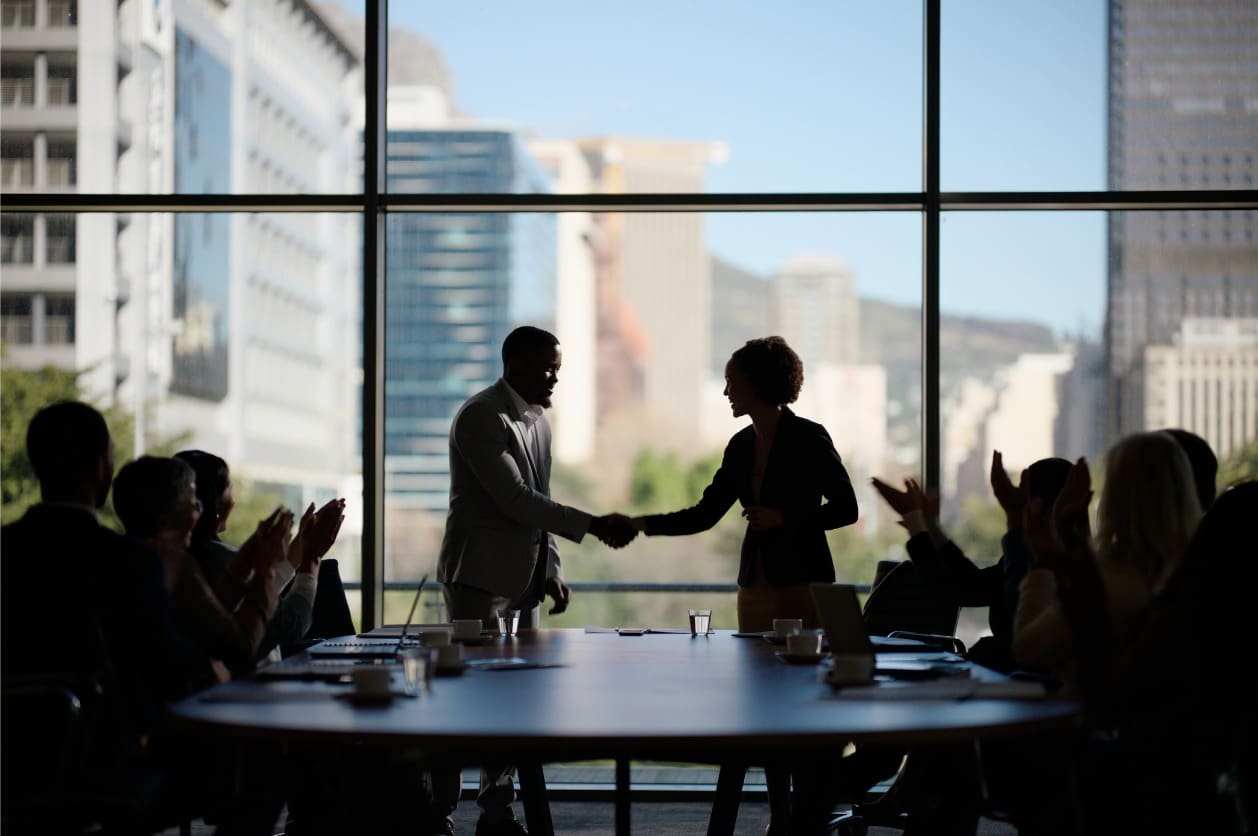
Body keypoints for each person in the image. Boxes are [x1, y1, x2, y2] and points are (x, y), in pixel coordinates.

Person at [628, 336, 858, 836]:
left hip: (803, 582)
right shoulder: (740, 444)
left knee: (802, 703)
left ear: (756, 384)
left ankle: (809, 812)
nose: (726, 391)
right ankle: (781, 814)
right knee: (766, 705)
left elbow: (846, 509)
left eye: (732, 382)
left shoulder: (810, 437)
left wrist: (784, 517)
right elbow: (704, 515)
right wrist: (641, 523)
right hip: (754, 586)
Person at [434, 325, 637, 836]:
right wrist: (593, 525)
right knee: (466, 698)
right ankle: (437, 811)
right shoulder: (480, 416)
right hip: (477, 578)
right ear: (515, 363)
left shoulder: (540, 422)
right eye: (548, 368)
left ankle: (497, 813)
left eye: (558, 369)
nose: (555, 378)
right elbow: (515, 499)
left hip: (524, 582)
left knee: (513, 701)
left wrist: (551, 569)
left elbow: (537, 500)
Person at [1013, 431, 1203, 696]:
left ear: (1116, 497)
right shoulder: (1204, 573)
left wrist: (1043, 563)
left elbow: (1027, 649)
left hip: (1086, 728)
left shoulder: (1109, 582)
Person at [871, 450, 1072, 676]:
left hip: (1015, 687)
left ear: (1036, 505)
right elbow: (970, 585)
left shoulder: (1044, 560)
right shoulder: (1058, 556)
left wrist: (917, 524)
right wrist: (927, 526)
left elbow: (959, 589)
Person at [111, 455, 290, 680]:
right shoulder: (170, 563)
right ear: (165, 518)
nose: (199, 514)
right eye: (193, 504)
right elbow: (238, 646)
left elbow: (201, 623)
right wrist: (266, 572)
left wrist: (243, 565)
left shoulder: (115, 558)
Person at [175, 449, 347, 667]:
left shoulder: (184, 560)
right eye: (230, 488)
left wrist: (302, 546)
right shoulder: (209, 562)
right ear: (214, 502)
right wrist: (312, 558)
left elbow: (259, 596)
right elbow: (290, 623)